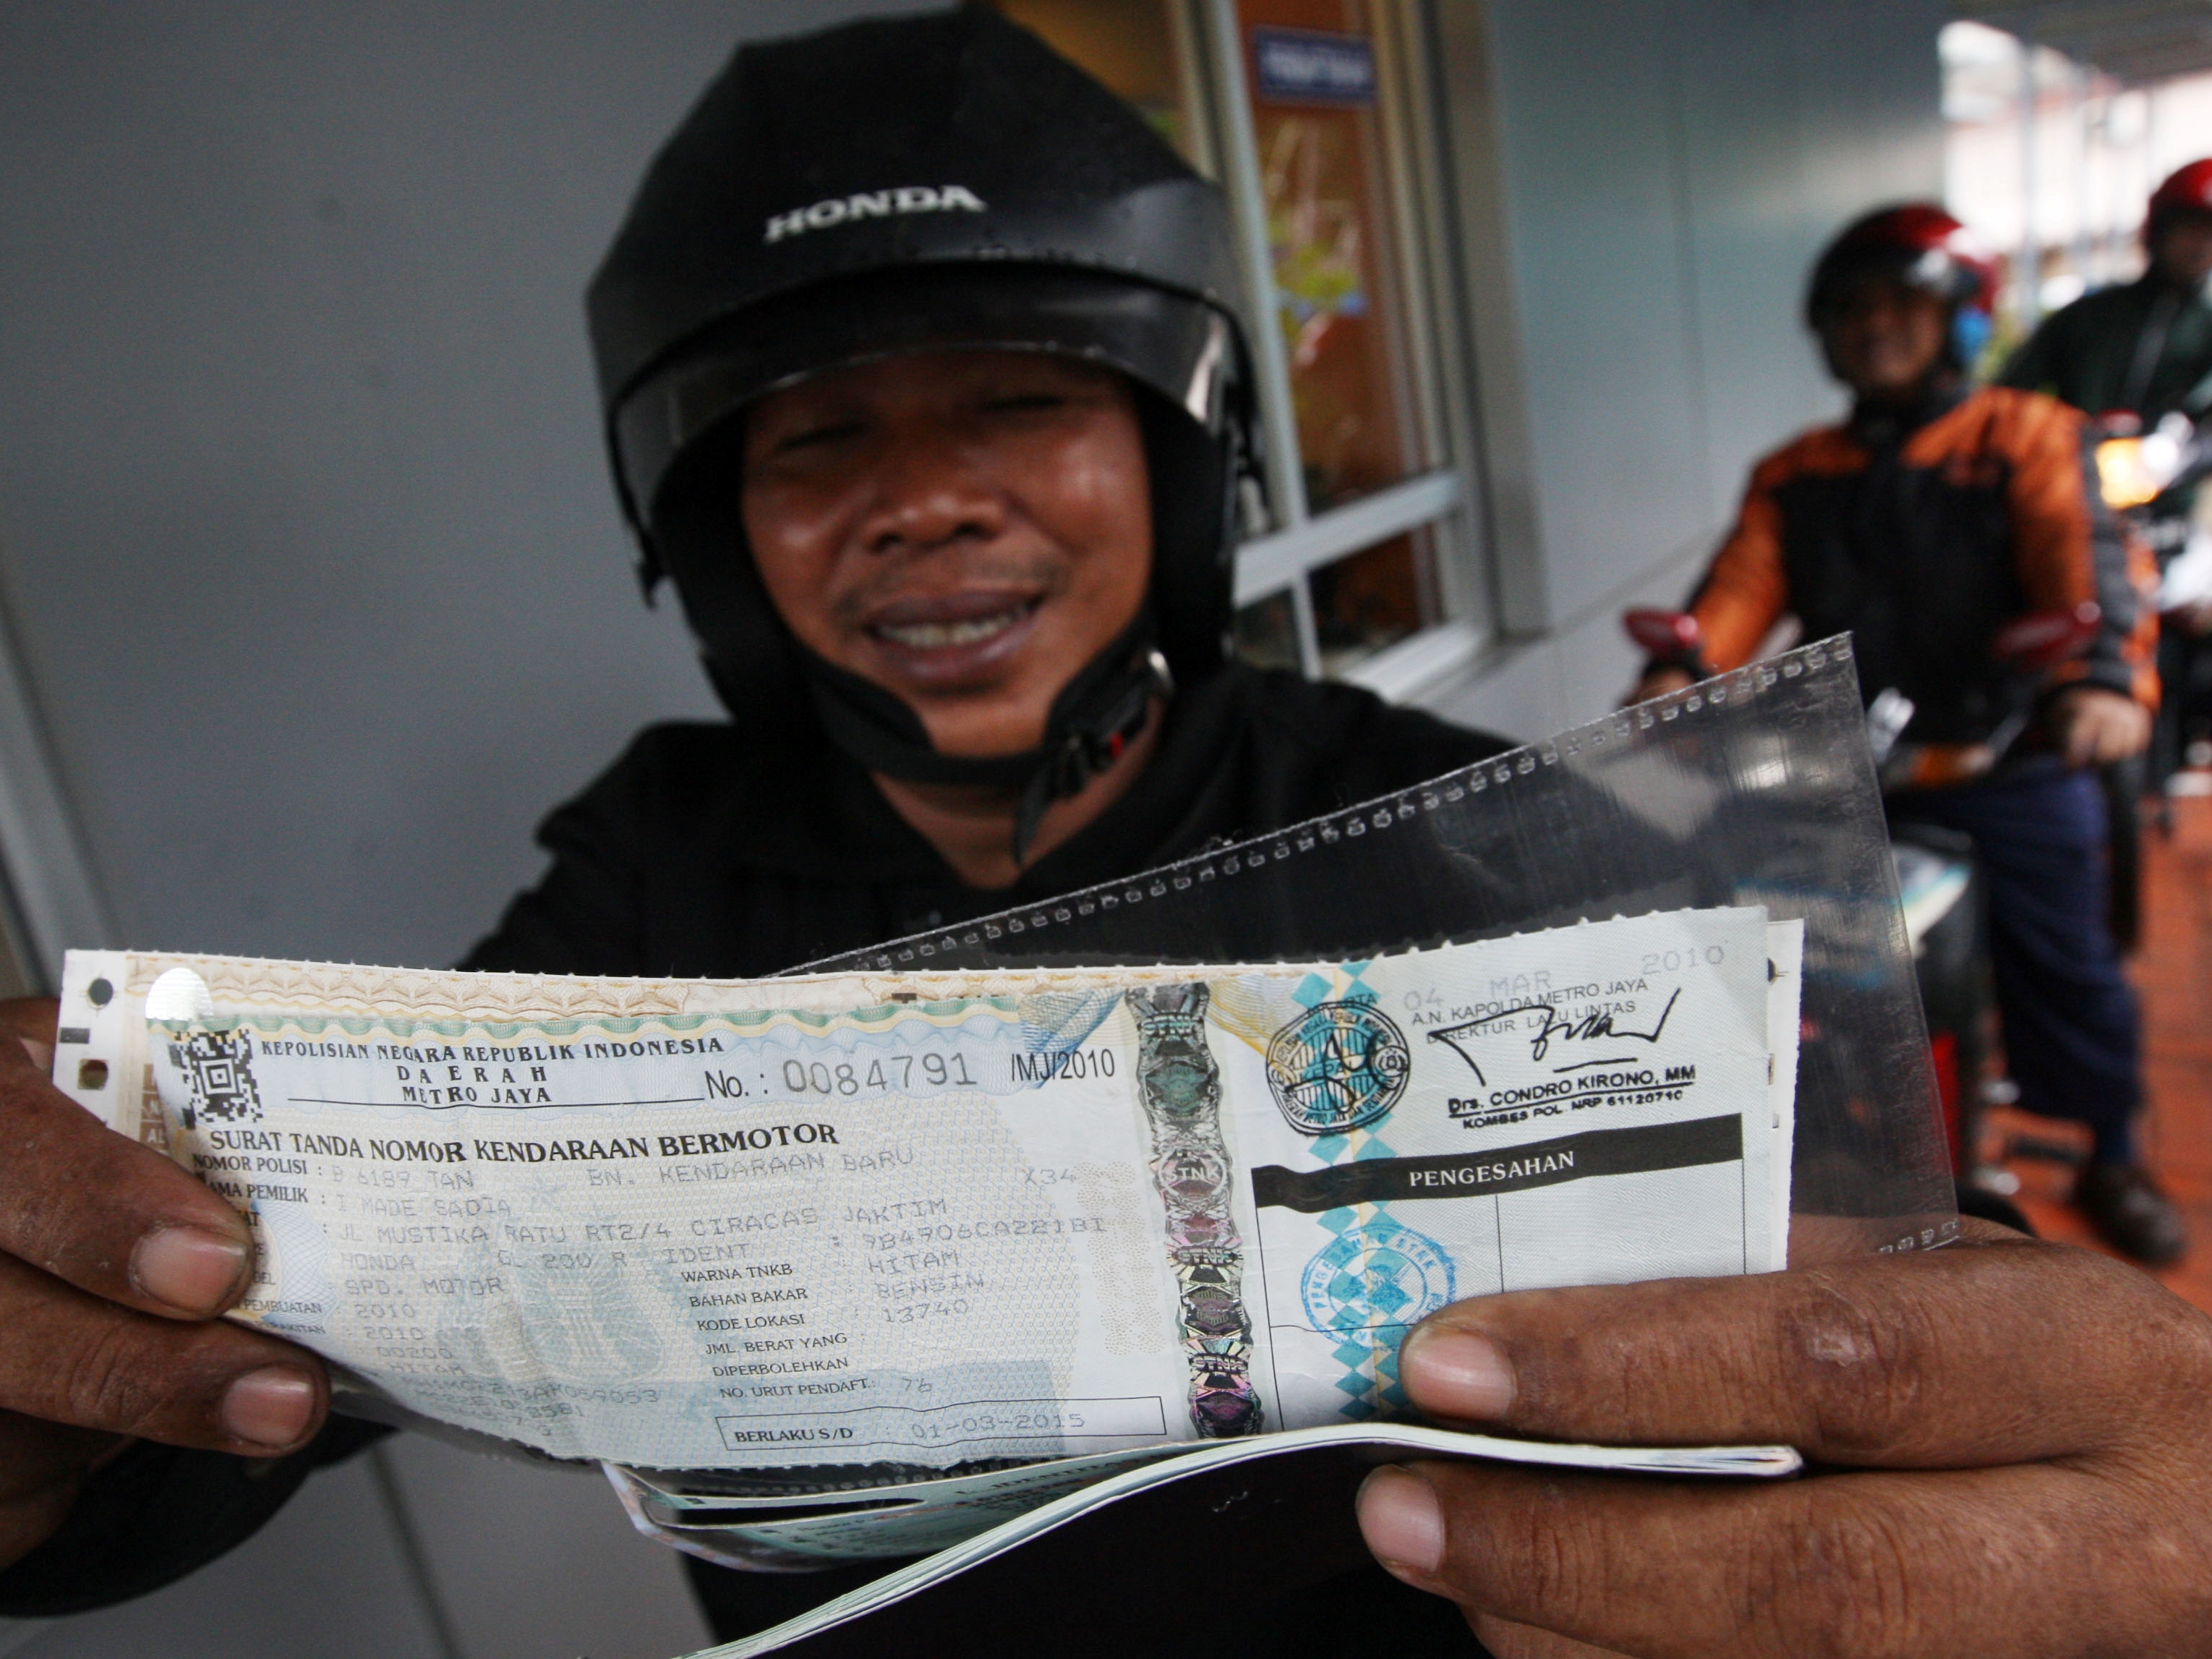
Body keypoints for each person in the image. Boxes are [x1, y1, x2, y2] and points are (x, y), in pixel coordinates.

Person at [1, 17, 2211, 1657]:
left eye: (1014, 397)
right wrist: (65, 1389)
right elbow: (287, 1336)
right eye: (817, 436)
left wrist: (1985, 1439)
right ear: (709, 535)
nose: (923, 494)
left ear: (1180, 458)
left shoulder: (1397, 815)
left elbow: (1807, 1295)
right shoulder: (653, 888)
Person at [1630, 204, 2180, 1267]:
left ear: (1959, 321)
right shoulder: (1793, 472)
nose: (1874, 327)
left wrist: (2099, 683)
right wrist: (1674, 678)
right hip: (1837, 768)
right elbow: (1734, 593)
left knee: (2065, 961)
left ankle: (2110, 1150)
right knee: (1745, 931)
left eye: (1901, 306)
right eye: (1850, 311)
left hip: (2008, 756)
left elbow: (2090, 570)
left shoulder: (2022, 434)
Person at [2001, 159, 2212, 805]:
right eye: (2189, 229)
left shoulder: (2205, 328)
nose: (2199, 246)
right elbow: (2009, 393)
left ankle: (2178, 752)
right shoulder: (2087, 317)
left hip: (2167, 525)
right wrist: (2058, 445)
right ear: (2158, 230)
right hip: (2069, 513)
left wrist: (2179, 454)